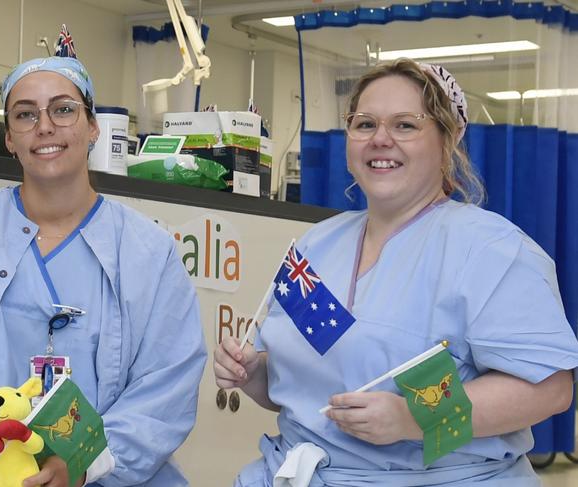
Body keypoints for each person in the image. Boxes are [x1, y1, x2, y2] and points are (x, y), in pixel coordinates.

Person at [214, 58, 578, 486]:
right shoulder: (317, 245)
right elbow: (310, 381)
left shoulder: (491, 250)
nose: (380, 139)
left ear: (447, 142)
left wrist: (412, 419)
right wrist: (255, 374)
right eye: (365, 124)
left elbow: (550, 390)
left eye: (405, 125)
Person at [0, 55, 206, 487]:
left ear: (92, 127)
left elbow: (166, 386)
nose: (44, 126)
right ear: (9, 138)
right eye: (25, 114)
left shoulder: (148, 252)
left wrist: (83, 462)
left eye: (63, 109)